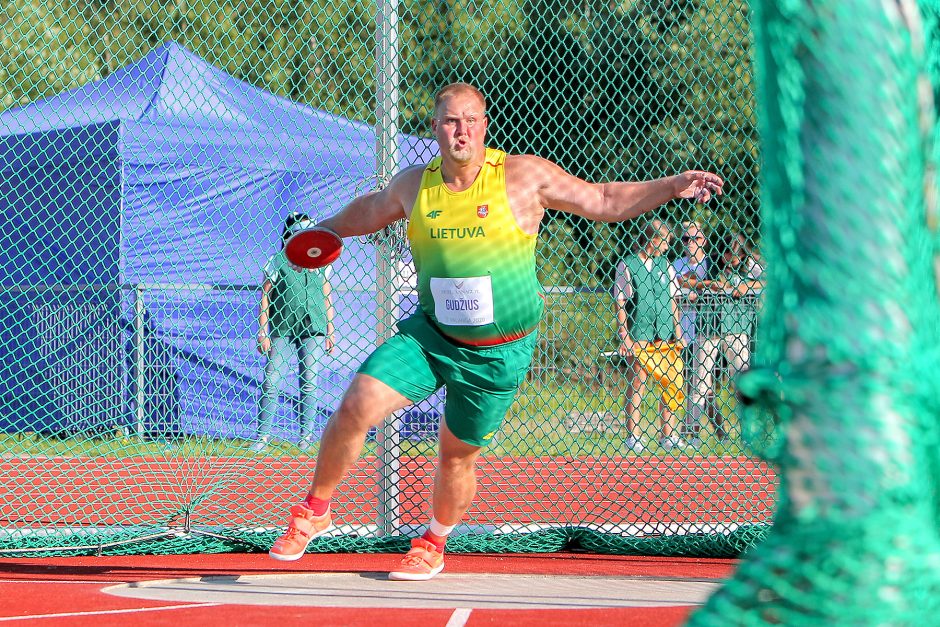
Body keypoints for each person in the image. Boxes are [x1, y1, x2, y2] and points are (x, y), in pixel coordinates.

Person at [267, 82, 723, 580]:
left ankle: (434, 542)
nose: (460, 131)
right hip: (431, 337)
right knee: (356, 403)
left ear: (484, 125)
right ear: (435, 128)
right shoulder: (415, 185)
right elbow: (373, 209)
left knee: (456, 454)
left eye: (470, 120)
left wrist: (671, 184)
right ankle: (316, 511)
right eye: (448, 121)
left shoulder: (522, 177)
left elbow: (604, 200)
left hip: (497, 354)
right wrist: (329, 229)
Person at [253, 212, 336, 452]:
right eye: (299, 233)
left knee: (309, 382)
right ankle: (263, 437)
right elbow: (265, 297)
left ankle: (305, 439)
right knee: (272, 381)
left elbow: (327, 296)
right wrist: (262, 331)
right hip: (283, 327)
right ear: (289, 236)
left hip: (314, 327)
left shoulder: (320, 261)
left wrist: (330, 331)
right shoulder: (277, 260)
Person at [614, 219, 686, 453]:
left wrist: (678, 333)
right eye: (664, 242)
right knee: (639, 381)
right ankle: (633, 435)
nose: (666, 248)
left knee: (670, 381)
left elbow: (673, 301)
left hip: (664, 332)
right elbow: (621, 302)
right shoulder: (628, 264)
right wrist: (624, 334)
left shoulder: (665, 265)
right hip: (640, 332)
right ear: (653, 240)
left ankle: (668, 434)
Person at [688, 231, 763, 444]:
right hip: (709, 327)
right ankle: (692, 434)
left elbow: (768, 280)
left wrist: (746, 286)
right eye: (727, 254)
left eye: (735, 256)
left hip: (737, 327)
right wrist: (707, 284)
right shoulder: (710, 263)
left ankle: (749, 432)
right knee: (701, 382)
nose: (730, 260)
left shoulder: (748, 265)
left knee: (743, 381)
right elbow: (684, 280)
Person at [672, 221, 713, 444]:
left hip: (708, 329)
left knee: (700, 384)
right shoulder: (677, 264)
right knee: (694, 383)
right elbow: (675, 294)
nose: (690, 244)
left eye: (695, 239)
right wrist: (690, 291)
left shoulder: (710, 264)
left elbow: (712, 290)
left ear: (703, 241)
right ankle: (718, 432)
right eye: (686, 239)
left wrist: (693, 288)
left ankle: (696, 431)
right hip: (684, 329)